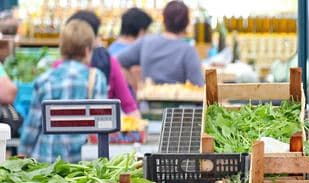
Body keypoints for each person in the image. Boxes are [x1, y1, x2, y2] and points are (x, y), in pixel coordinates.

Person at [19, 20, 107, 163]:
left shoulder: (44, 80)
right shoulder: (97, 78)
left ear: (62, 49)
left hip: (46, 165)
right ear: (87, 50)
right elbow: (101, 126)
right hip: (81, 168)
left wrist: (22, 156)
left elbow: (32, 128)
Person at [64, 11, 140, 118]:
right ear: (92, 40)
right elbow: (129, 107)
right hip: (98, 131)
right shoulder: (102, 72)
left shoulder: (55, 71)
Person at [118, 1, 205, 87]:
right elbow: (197, 85)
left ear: (164, 19)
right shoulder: (188, 51)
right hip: (179, 100)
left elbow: (117, 61)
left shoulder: (146, 42)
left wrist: (135, 87)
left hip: (147, 99)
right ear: (186, 23)